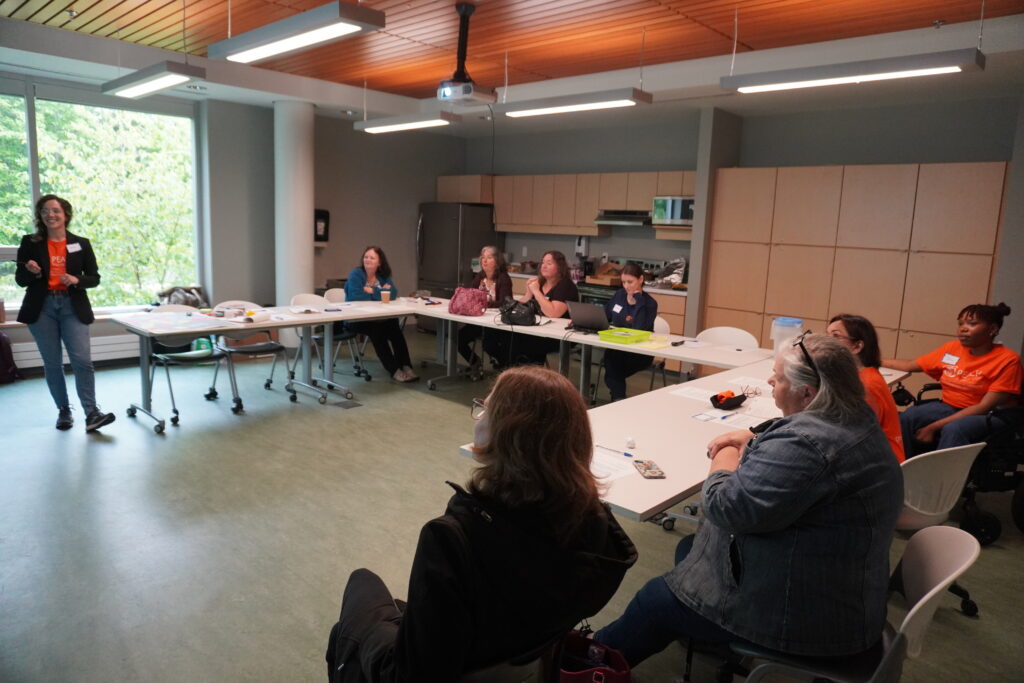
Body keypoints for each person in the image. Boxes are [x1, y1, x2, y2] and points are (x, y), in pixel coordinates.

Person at [594, 334, 903, 665]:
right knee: (690, 550)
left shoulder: (807, 445)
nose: (770, 380)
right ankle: (712, 636)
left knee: (655, 600)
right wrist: (754, 439)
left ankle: (588, 661)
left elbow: (723, 506)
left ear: (808, 393)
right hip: (842, 589)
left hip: (810, 620)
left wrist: (725, 452)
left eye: (780, 377)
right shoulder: (854, 420)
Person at [325, 366, 638, 682]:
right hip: (519, 652)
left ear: (506, 432)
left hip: (441, 664)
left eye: (485, 409)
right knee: (394, 609)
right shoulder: (593, 525)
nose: (478, 417)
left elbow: (415, 673)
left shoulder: (454, 538)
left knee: (359, 588)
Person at [15, 194, 116, 432]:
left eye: (55, 211)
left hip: (73, 306)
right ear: (40, 217)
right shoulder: (30, 242)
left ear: (65, 214)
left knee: (82, 361)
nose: (50, 215)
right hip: (42, 308)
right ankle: (63, 410)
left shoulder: (81, 243)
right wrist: (32, 272)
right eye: (44, 211)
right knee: (52, 363)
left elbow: (94, 279)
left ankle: (91, 413)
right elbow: (21, 280)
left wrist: (76, 279)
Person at [882, 303, 1022, 458]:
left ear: (992, 330)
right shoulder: (952, 348)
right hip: (951, 406)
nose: (963, 328)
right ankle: (903, 468)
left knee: (954, 429)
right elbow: (911, 365)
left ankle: (943, 480)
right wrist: (872, 360)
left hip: (991, 415)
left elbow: (984, 406)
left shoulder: (1008, 360)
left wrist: (933, 427)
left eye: (972, 324)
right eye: (960, 323)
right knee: (907, 417)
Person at [826, 314, 904, 461]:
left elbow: (853, 437)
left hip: (879, 466)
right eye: (827, 335)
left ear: (857, 346)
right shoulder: (860, 375)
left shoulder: (866, 384)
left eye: (835, 336)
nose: (826, 341)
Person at [484, 250, 578, 367]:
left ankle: (520, 372)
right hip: (534, 329)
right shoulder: (540, 283)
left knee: (516, 340)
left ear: (560, 267)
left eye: (549, 263)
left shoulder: (565, 286)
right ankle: (508, 368)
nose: (544, 266)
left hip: (556, 335)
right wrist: (529, 293)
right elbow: (522, 305)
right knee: (494, 334)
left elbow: (553, 313)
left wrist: (536, 292)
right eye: (542, 263)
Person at [343, 246, 418, 383]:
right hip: (355, 320)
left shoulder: (383, 277)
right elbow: (355, 296)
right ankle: (394, 369)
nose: (368, 260)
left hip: (376, 318)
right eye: (366, 257)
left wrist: (371, 291)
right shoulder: (356, 274)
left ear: (379, 262)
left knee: (394, 327)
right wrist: (380, 293)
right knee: (377, 331)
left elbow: (393, 294)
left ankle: (406, 365)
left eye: (372, 257)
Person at [602, 263, 658, 402]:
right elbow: (605, 315)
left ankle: (618, 398)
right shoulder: (619, 295)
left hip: (640, 351)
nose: (626, 286)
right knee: (612, 359)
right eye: (623, 282)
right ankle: (618, 399)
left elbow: (638, 328)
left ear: (640, 279)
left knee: (613, 368)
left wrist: (638, 301)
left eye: (630, 282)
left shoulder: (650, 303)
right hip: (618, 346)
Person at [456, 246, 513, 376]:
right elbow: (471, 295)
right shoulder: (480, 277)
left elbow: (505, 302)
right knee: (459, 338)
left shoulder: (503, 278)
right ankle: (475, 362)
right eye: (483, 257)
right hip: (479, 320)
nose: (484, 260)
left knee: (489, 344)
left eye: (489, 257)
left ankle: (505, 366)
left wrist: (484, 304)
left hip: (496, 322)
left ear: (497, 261)